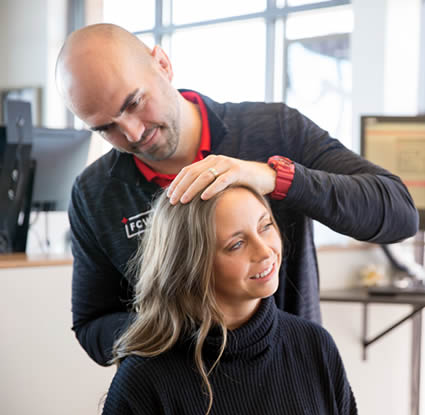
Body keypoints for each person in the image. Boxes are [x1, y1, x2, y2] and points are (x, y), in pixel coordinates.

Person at [55, 23, 418, 366]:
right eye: (106, 129)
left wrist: (274, 178)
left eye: (133, 103)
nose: (132, 134)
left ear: (162, 64)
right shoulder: (94, 193)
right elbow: (93, 325)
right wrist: (179, 327)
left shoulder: (276, 130)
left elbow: (398, 213)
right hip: (175, 396)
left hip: (291, 381)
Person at [100, 185, 361, 415]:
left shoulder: (314, 344)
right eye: (236, 244)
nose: (264, 251)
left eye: (265, 225)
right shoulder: (143, 381)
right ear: (192, 266)